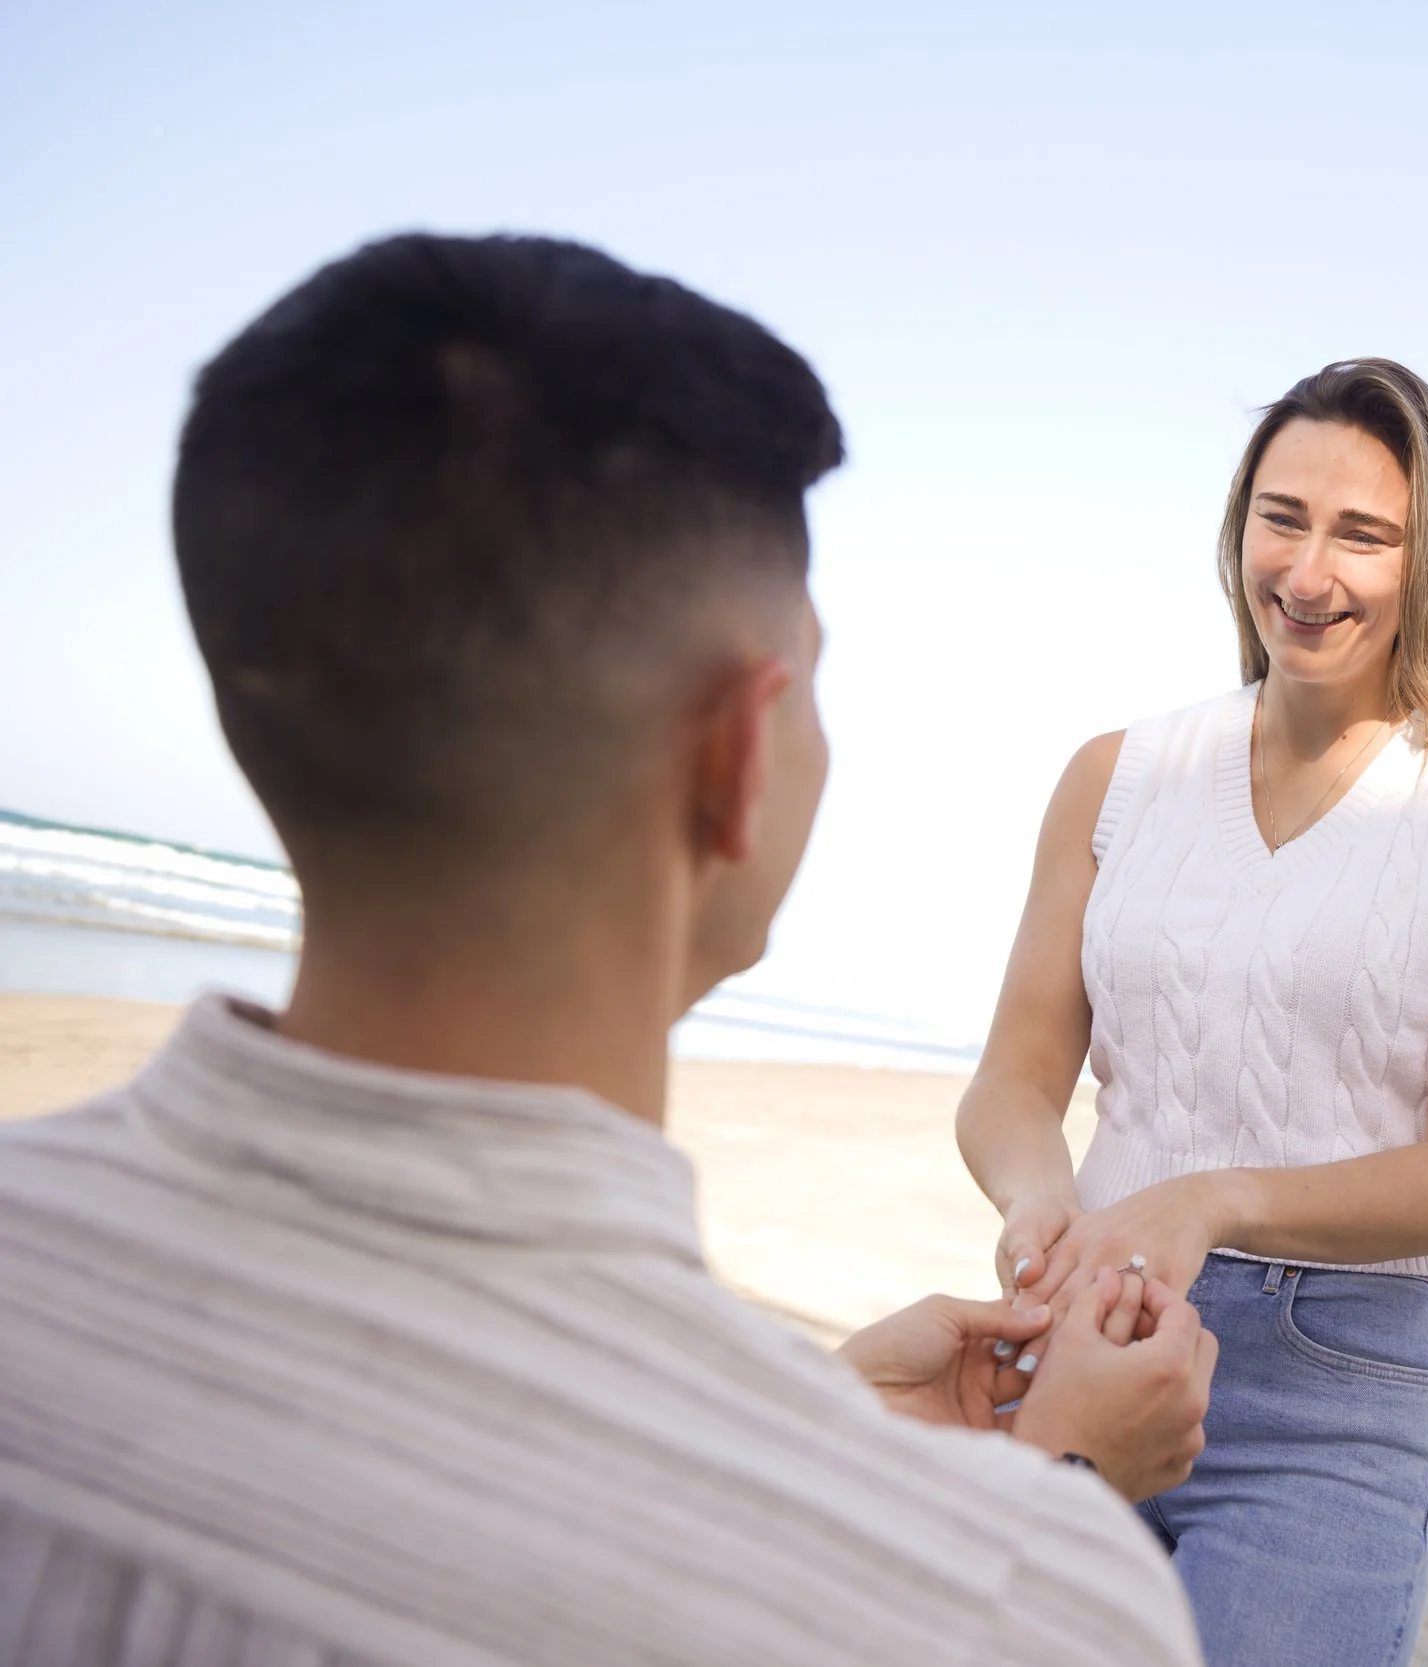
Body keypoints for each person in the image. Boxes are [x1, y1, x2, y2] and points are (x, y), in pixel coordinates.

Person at [0, 234, 1214, 1666]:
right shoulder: (1027, 1601)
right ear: (736, 755)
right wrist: (1052, 1493)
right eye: (812, 679)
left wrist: (828, 1416)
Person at [955, 360, 1428, 1665]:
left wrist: (1213, 1200)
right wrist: (1036, 1199)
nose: (1307, 572)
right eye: (1281, 518)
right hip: (1092, 1336)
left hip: (1333, 1390)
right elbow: (1012, 1082)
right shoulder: (1115, 774)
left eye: (1363, 534)